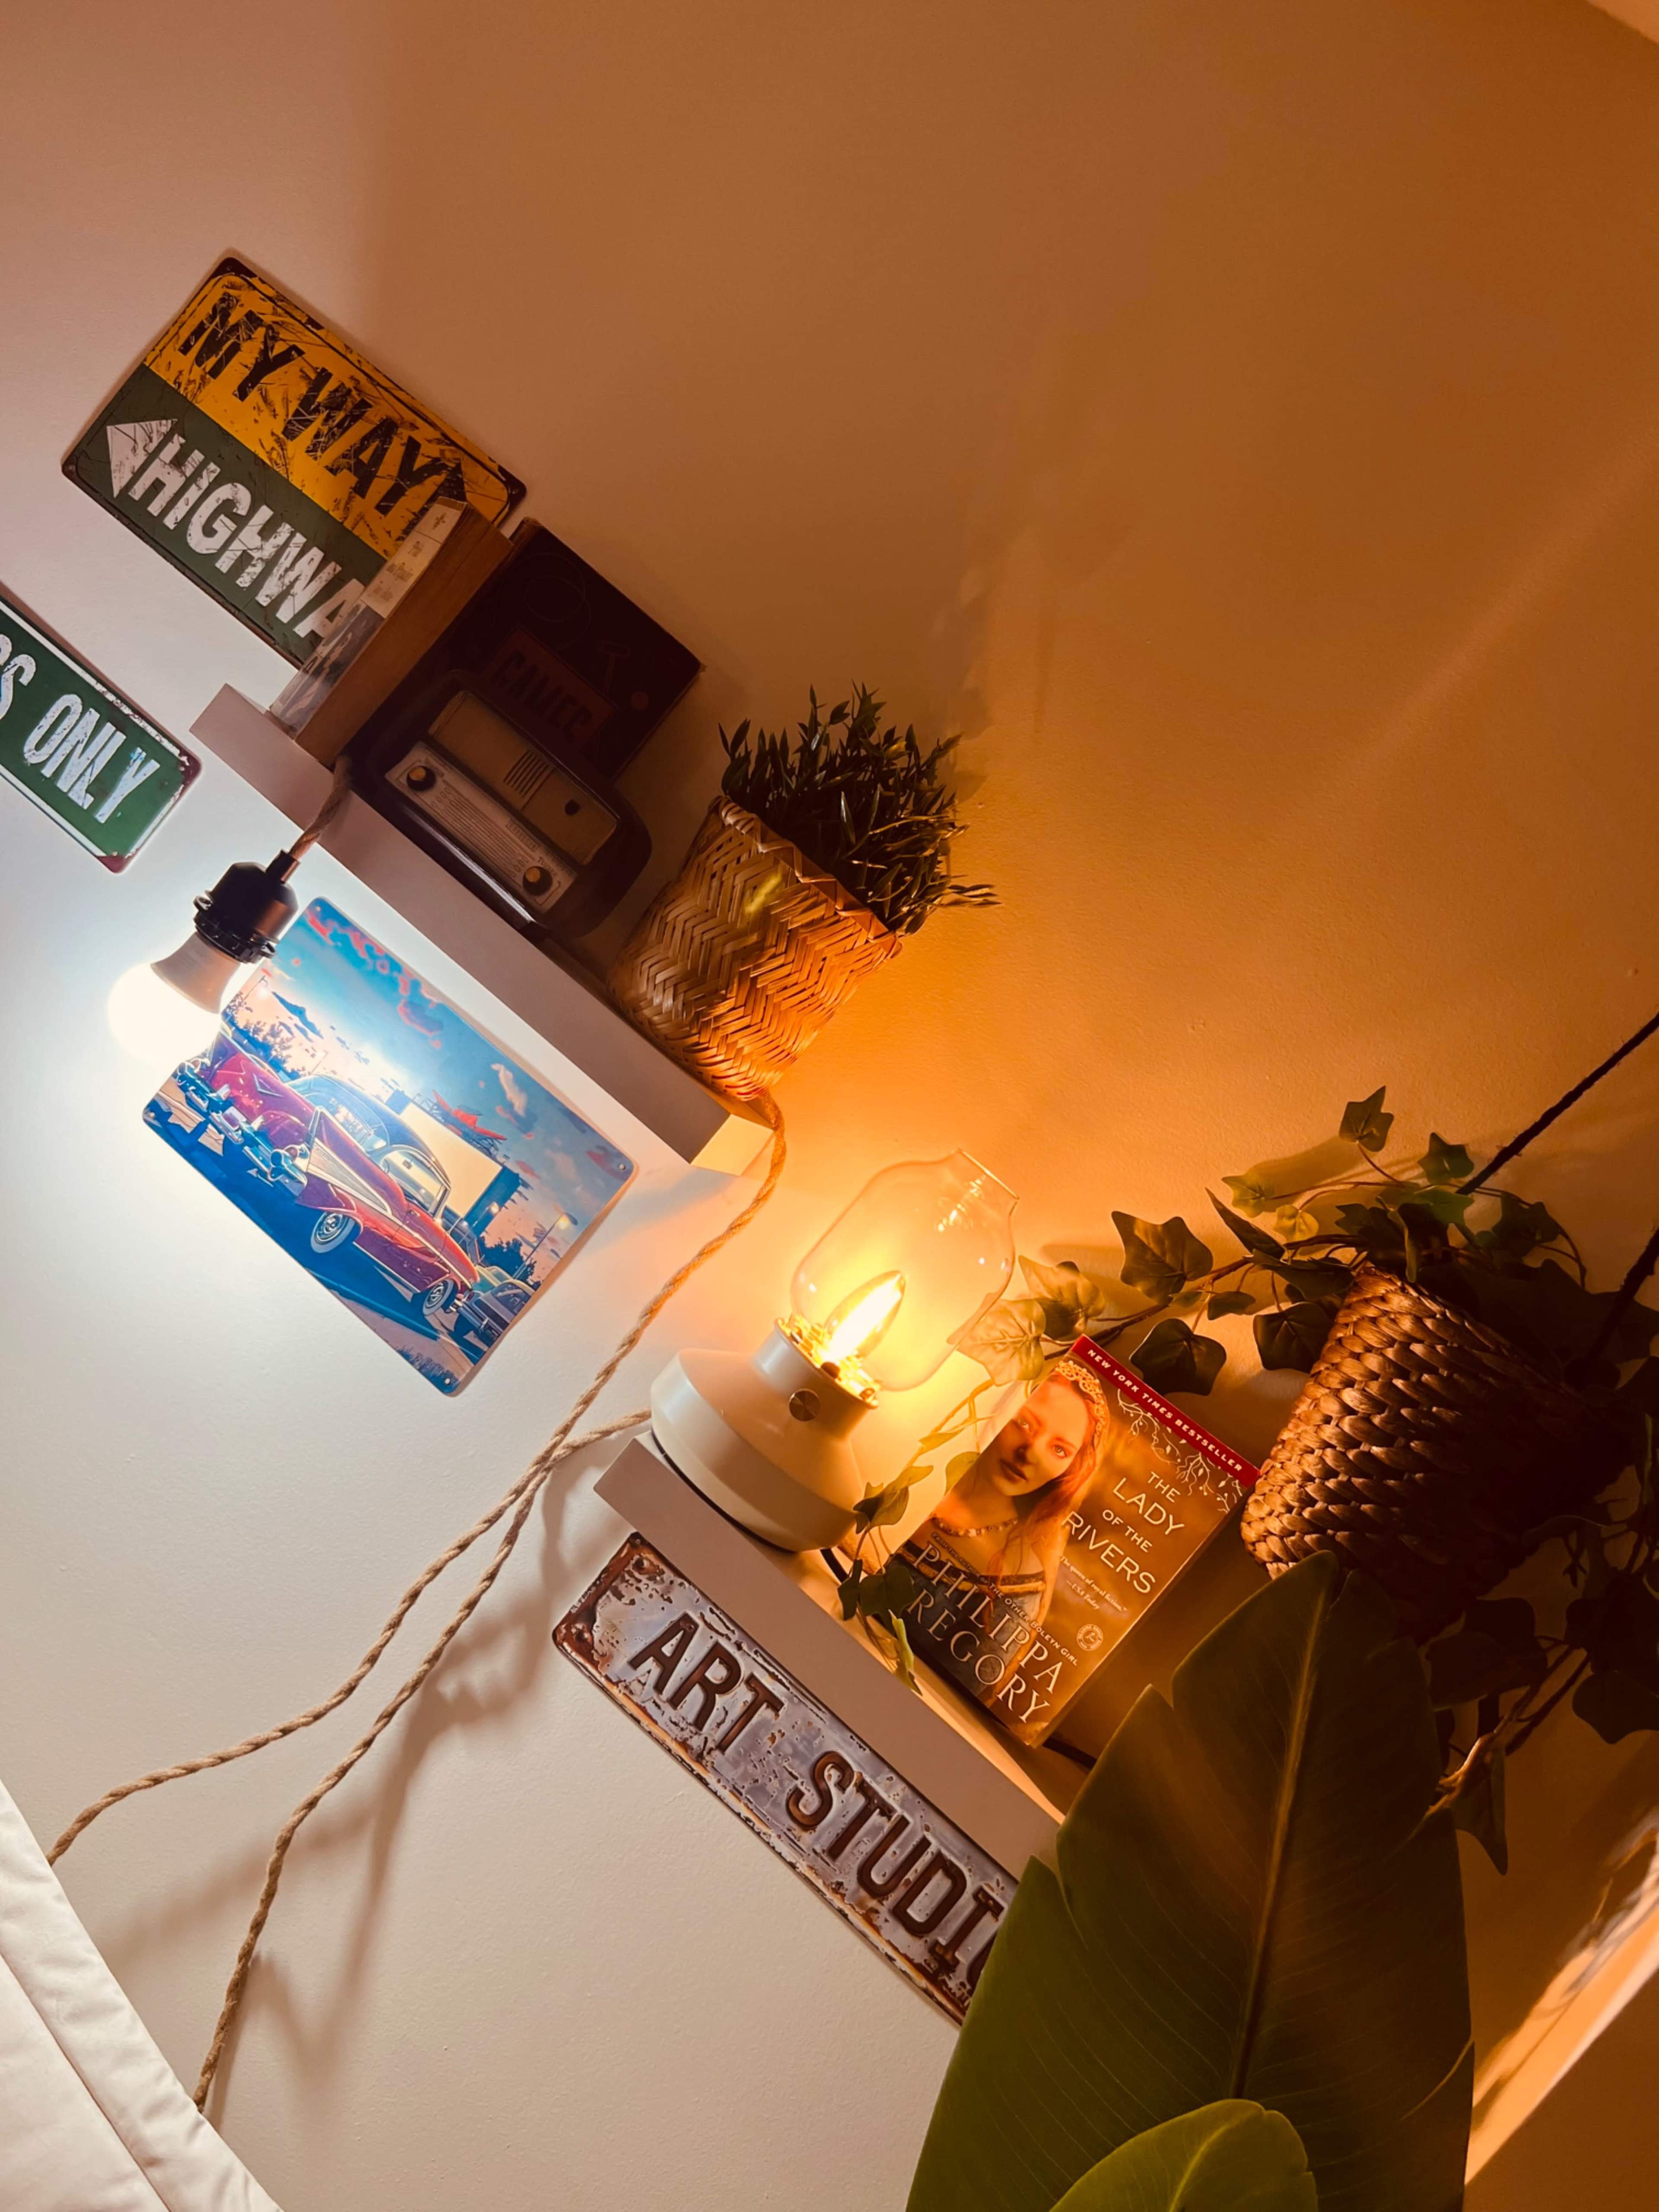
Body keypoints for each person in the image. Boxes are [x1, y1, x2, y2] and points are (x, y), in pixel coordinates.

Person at [900, 1358, 1106, 1683]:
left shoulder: (1021, 1583)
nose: (1031, 1451)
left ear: (1071, 1472)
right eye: (1024, 1422)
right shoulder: (914, 1475)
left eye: (1059, 1450)